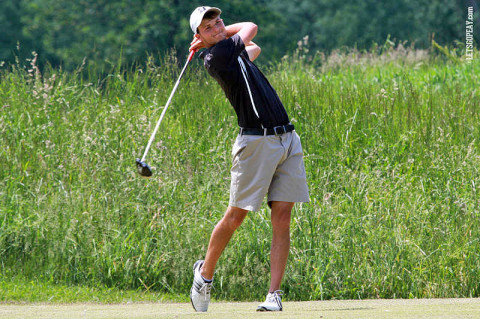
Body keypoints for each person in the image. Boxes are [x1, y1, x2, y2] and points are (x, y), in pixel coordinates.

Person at [188, 6, 309, 312]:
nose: (217, 28)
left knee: (282, 217)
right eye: (208, 27)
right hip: (256, 143)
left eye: (219, 22)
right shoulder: (216, 57)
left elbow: (253, 48)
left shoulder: (231, 53)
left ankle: (274, 295)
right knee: (236, 215)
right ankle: (204, 275)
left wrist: (213, 35)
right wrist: (216, 39)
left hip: (286, 138)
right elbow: (252, 27)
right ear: (198, 37)